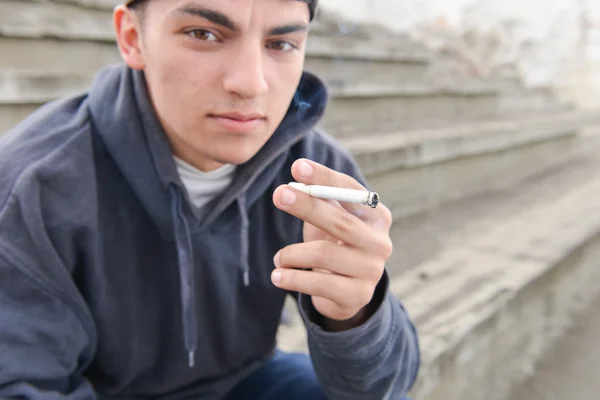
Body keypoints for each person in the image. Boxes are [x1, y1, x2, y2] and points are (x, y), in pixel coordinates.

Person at [0, 0, 420, 399]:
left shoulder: (312, 170)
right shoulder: (35, 187)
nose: (250, 83)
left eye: (281, 44)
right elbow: (20, 383)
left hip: (242, 383)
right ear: (132, 38)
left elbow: (382, 386)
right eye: (203, 33)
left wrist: (355, 315)